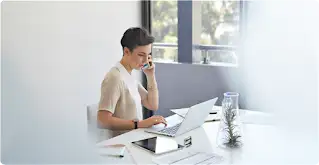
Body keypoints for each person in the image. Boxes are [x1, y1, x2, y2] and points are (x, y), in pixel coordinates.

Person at [97, 27, 167, 137]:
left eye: (148, 55)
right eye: (141, 55)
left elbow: (152, 104)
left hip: (133, 139)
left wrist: (150, 75)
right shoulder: (114, 78)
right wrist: (140, 124)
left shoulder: (128, 75)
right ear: (126, 51)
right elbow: (102, 120)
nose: (145, 61)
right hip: (120, 145)